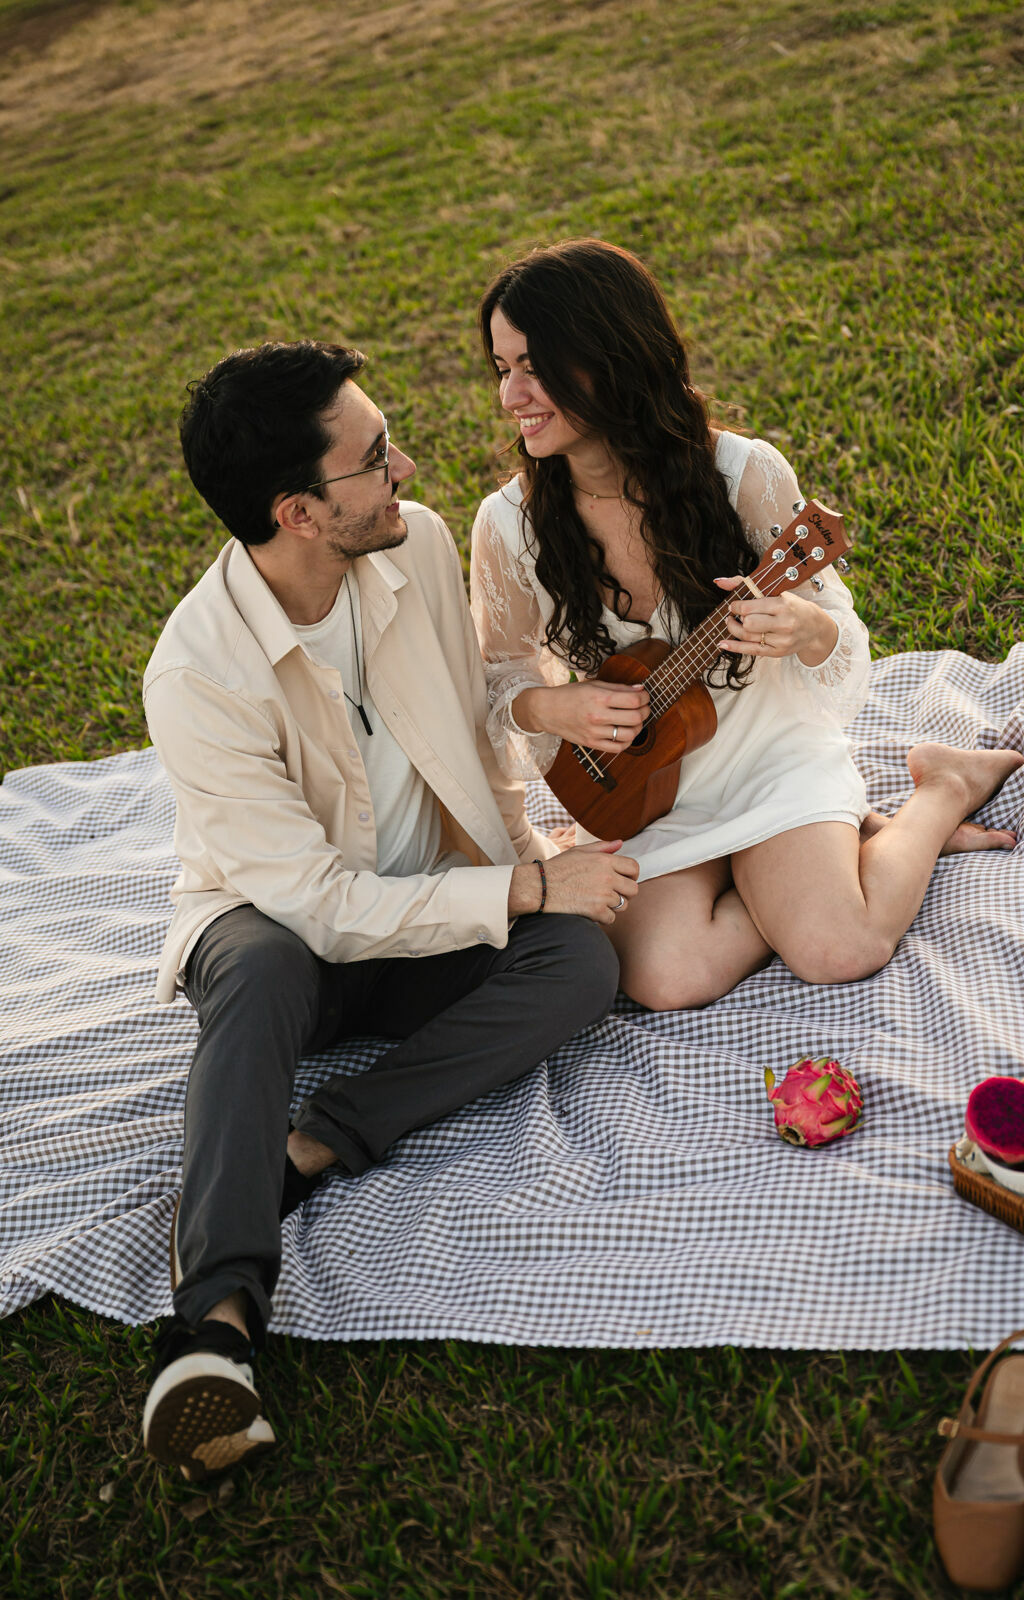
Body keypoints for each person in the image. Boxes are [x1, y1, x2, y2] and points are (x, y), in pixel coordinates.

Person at [141, 339, 637, 1480]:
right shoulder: (198, 673)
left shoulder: (412, 543)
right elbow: (310, 905)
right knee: (261, 965)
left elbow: (476, 738)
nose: (405, 465)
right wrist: (518, 886)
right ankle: (211, 1326)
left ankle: (312, 1146)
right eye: (372, 458)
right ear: (298, 512)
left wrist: (534, 870)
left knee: (578, 964)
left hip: (424, 916)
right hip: (281, 944)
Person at [469, 239, 1023, 1013]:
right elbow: (499, 678)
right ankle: (827, 848)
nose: (511, 397)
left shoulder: (740, 474)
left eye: (534, 368)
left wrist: (799, 626)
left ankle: (941, 788)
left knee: (838, 948)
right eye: (502, 369)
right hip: (648, 793)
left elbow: (834, 626)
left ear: (610, 357)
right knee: (665, 978)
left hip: (769, 759)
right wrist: (551, 706)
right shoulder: (509, 525)